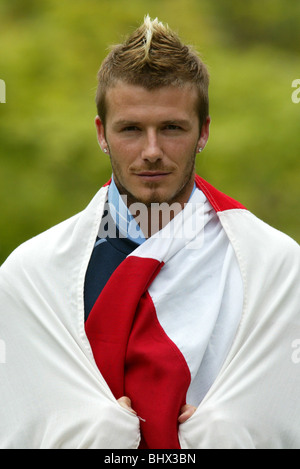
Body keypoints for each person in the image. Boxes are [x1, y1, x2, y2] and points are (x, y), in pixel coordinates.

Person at [0, 16, 299, 450]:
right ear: (102, 133)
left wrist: (230, 432)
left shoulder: (276, 265)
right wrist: (92, 432)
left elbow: (281, 411)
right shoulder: (31, 274)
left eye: (172, 128)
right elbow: (19, 421)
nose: (152, 151)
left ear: (204, 132)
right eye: (131, 129)